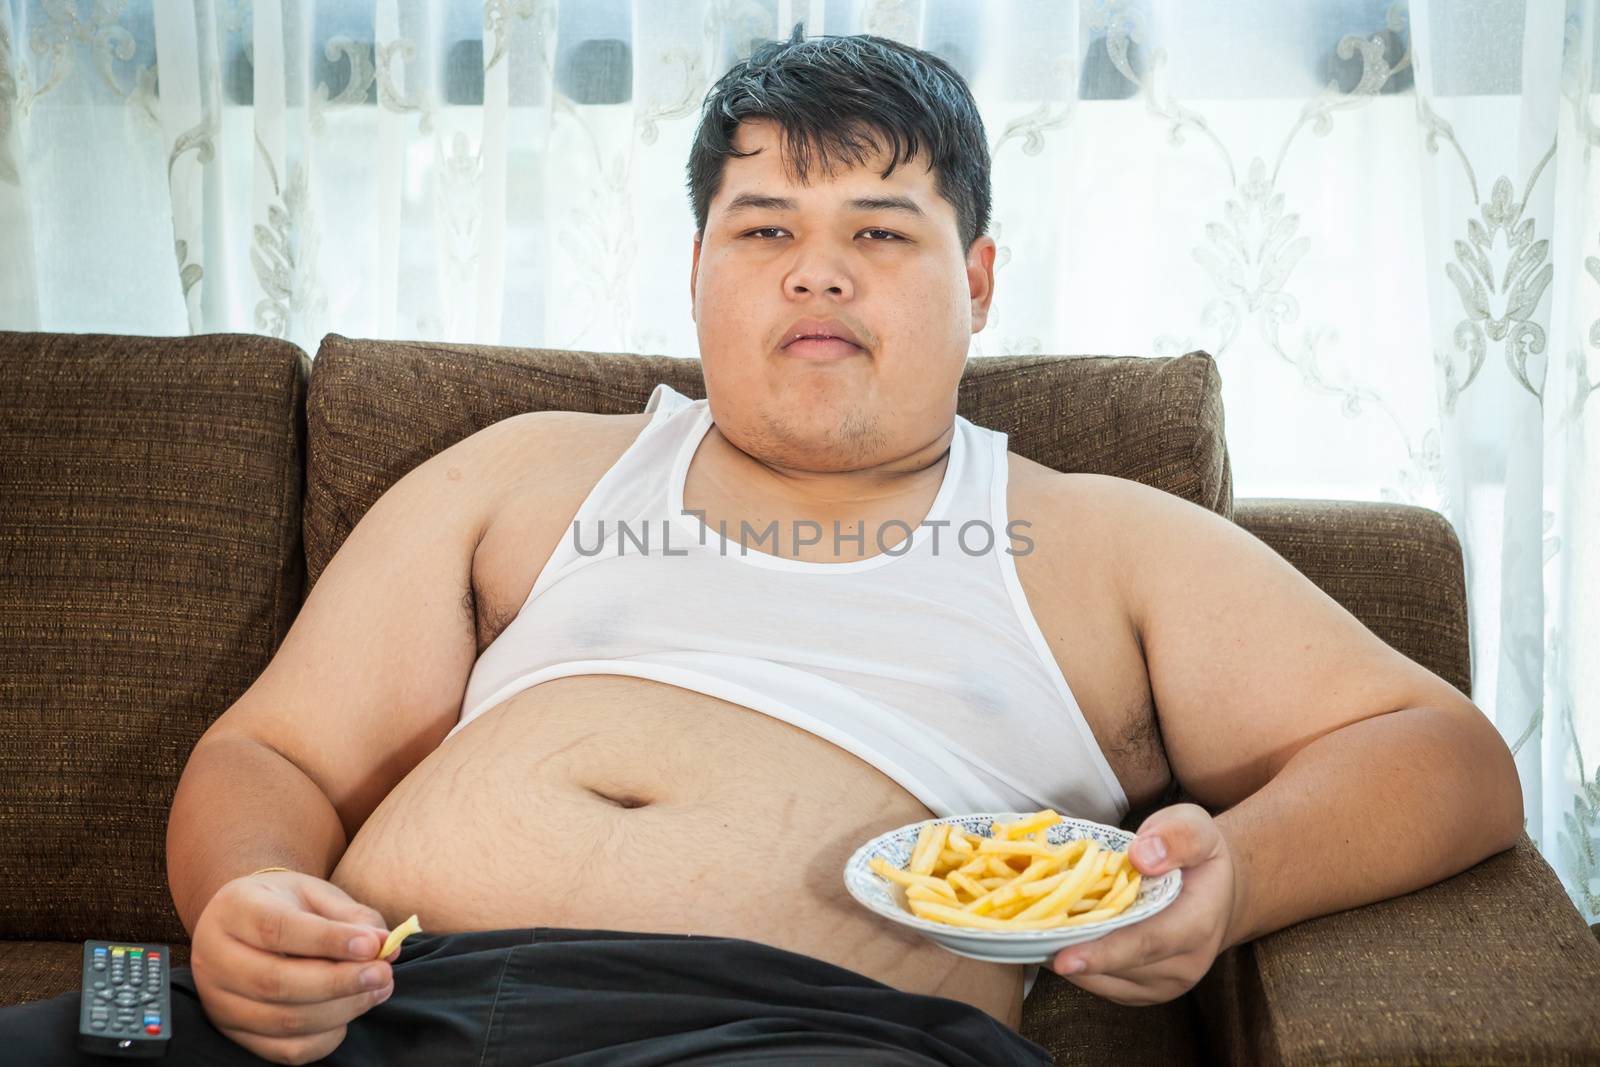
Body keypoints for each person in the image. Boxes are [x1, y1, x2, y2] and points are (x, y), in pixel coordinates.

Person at [0, 25, 1522, 1067]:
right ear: (696, 268)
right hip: (386, 998)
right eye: (764, 228)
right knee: (69, 1023)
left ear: (977, 278)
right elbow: (272, 754)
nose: (818, 274)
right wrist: (244, 903)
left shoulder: (1108, 542)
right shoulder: (526, 475)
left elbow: (1445, 757)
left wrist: (1230, 881)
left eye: (879, 230)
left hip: (799, 1034)